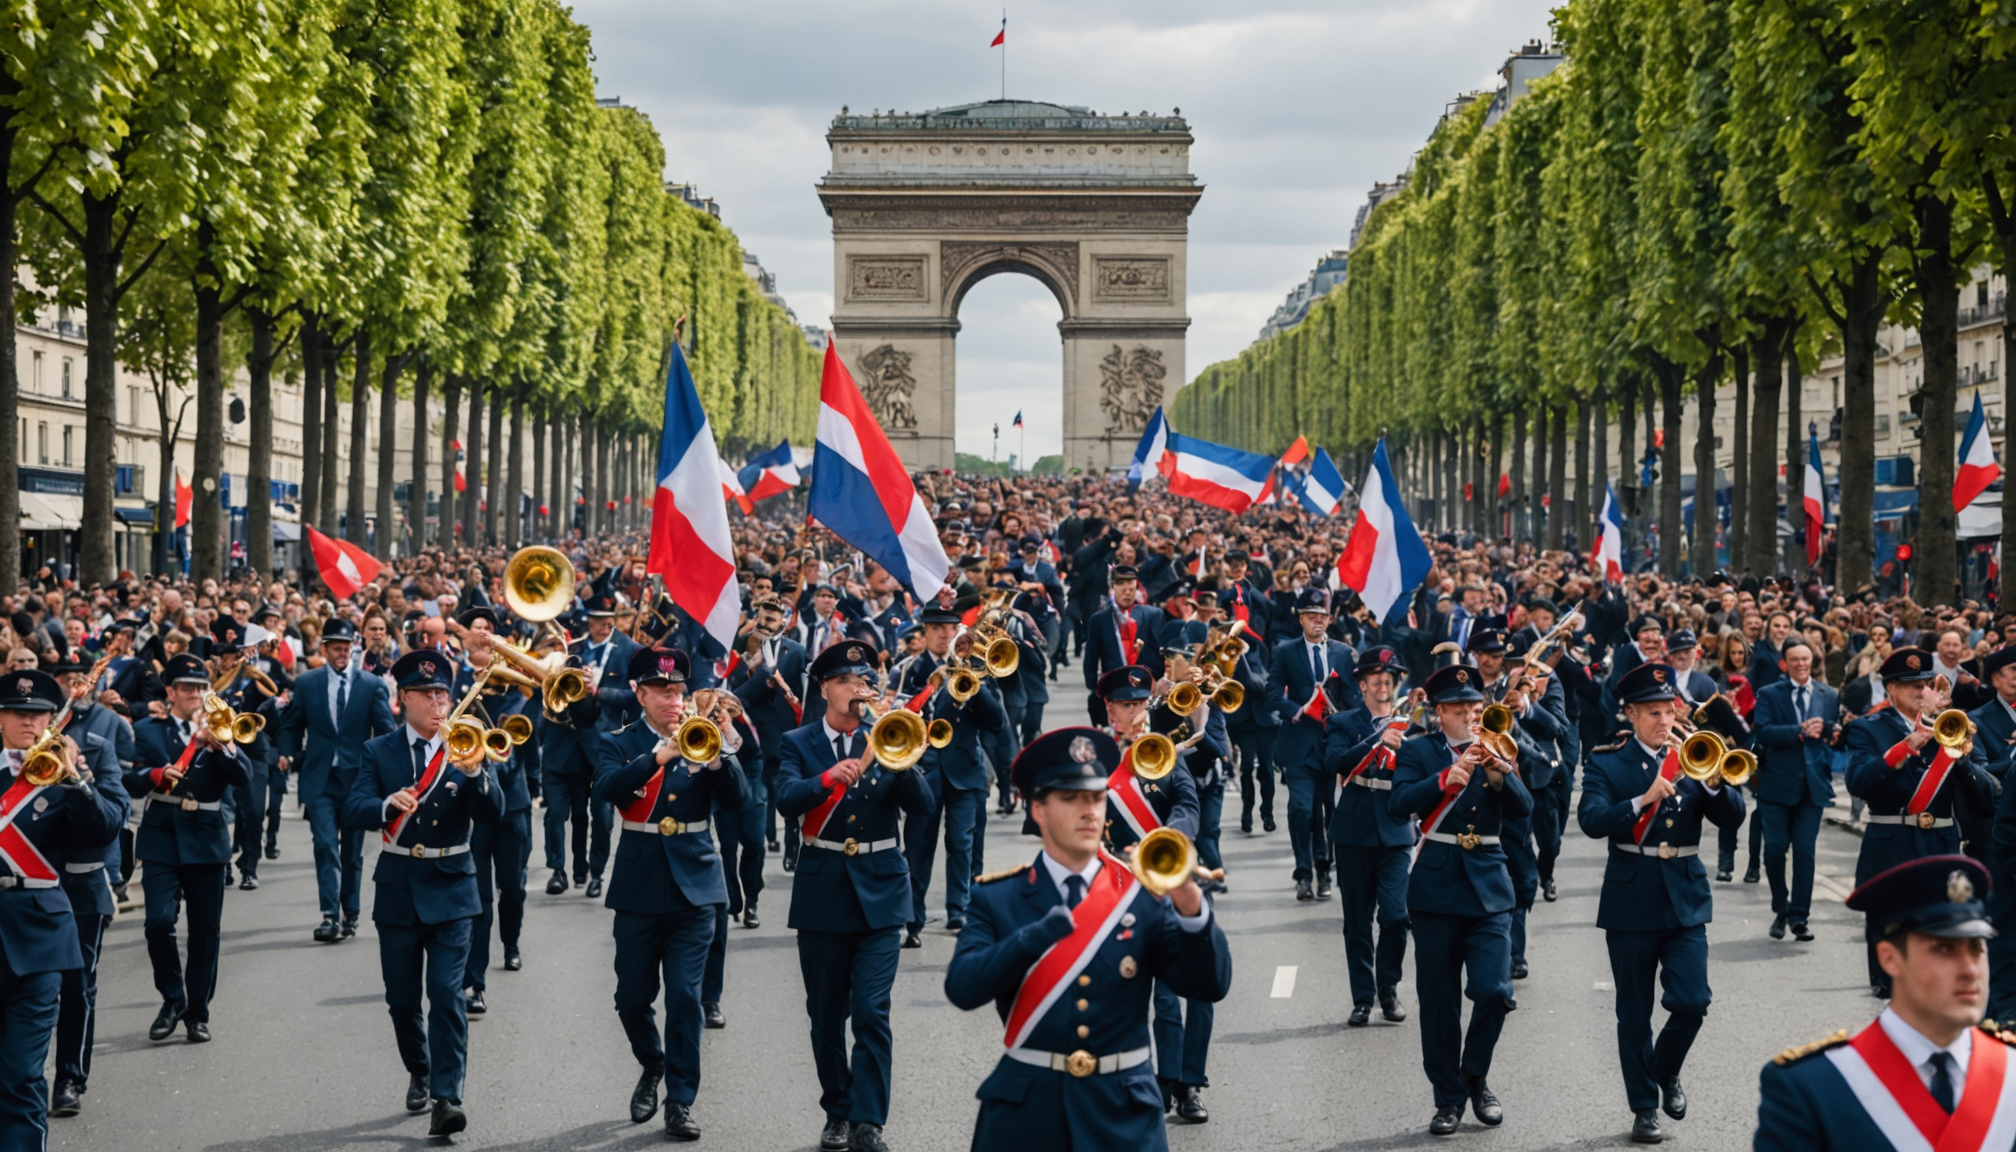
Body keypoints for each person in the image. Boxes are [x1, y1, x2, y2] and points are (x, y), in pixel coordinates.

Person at [945, 726, 1233, 1151]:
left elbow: (1210, 985)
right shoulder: (998, 896)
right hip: (1027, 1117)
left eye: (1097, 797)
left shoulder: (1144, 899)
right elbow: (963, 988)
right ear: (1038, 809)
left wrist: (1190, 903)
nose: (1090, 811)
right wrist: (1038, 935)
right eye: (1071, 798)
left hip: (1124, 1114)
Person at [775, 640, 935, 1152]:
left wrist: (901, 758)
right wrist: (824, 779)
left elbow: (924, 806)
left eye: (863, 683)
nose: (857, 691)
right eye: (846, 682)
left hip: (883, 890)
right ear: (825, 688)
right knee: (825, 1015)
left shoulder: (885, 739)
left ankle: (869, 1121)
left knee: (871, 1010)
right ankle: (837, 1110)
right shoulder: (798, 742)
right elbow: (784, 800)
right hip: (823, 890)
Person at [1579, 662, 1747, 1144]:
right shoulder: (1608, 761)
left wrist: (1714, 780)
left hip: (1685, 897)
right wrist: (1640, 800)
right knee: (1633, 1011)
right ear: (1630, 714)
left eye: (1668, 711)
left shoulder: (1694, 755)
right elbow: (1591, 819)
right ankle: (1644, 1108)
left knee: (1693, 1001)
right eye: (1652, 712)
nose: (1663, 720)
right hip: (1632, 897)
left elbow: (1732, 818)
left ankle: (1665, 1069)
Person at [342, 649, 502, 1138]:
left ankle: (447, 1097)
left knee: (447, 994)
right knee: (401, 1000)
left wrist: (476, 772)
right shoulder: (380, 750)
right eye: (427, 694)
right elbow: (354, 807)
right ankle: (420, 1068)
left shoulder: (464, 745)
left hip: (453, 886)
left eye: (443, 694)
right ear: (403, 697)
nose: (437, 703)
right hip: (398, 888)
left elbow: (493, 813)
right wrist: (385, 804)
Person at [593, 645, 749, 1142]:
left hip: (696, 887)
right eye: (662, 690)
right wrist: (656, 757)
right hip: (639, 886)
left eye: (679, 690)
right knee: (631, 999)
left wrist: (722, 753)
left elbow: (739, 802)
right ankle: (653, 1063)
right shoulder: (618, 741)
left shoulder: (702, 736)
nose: (674, 699)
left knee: (685, 998)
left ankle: (681, 1101)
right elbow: (605, 790)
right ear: (639, 694)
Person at [1754, 854, 2016, 1149]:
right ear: (1889, 959)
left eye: (1977, 948)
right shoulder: (1811, 1090)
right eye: (1945, 949)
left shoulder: (2010, 1073)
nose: (1970, 970)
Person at [1390, 661, 1532, 1136]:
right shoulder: (1419, 750)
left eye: (1476, 705)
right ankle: (1447, 1098)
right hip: (1434, 887)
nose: (1471, 714)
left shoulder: (1498, 748)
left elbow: (1524, 809)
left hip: (1490, 887)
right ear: (1439, 712)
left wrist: (1498, 773)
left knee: (1495, 990)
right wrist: (1442, 780)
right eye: (1459, 708)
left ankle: (1475, 1075)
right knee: (1439, 1001)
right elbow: (1397, 804)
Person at [1, 669, 123, 1145]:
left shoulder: (63, 772)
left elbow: (105, 828)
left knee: (20, 1074)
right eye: (17, 713)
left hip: (40, 938)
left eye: (38, 715)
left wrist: (75, 778)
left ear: (52, 720)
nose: (28, 723)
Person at [1846, 648, 1995, 998]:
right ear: (1891, 690)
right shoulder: (1867, 728)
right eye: (1910, 684)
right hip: (1891, 840)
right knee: (1890, 940)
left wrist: (1960, 757)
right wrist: (1904, 746)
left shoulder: (1952, 724)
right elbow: (1858, 782)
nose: (1920, 690)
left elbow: (1985, 795)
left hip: (1941, 840)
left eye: (1926, 683)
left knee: (1944, 930)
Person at [129, 652, 251, 1044]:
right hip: (162, 834)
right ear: (171, 692)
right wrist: (154, 774)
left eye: (201, 687)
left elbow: (244, 778)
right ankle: (172, 999)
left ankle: (197, 1012)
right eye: (187, 687)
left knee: (205, 933)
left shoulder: (221, 728)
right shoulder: (150, 729)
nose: (195, 693)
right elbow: (127, 777)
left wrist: (225, 747)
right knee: (158, 923)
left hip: (205, 837)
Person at [46, 655, 131, 1119]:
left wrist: (77, 779)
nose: (73, 689)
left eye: (80, 681)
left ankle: (69, 1079)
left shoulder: (97, 748)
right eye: (64, 681)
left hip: (80, 885)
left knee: (77, 987)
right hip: (22, 886)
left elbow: (109, 823)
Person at [276, 617, 396, 943]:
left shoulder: (372, 685)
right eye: (336, 648)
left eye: (347, 648)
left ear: (353, 649)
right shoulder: (307, 683)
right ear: (325, 648)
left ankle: (351, 912)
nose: (342, 653)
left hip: (357, 781)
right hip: (320, 780)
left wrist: (389, 773)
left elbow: (385, 733)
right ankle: (329, 914)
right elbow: (291, 725)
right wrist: (286, 753)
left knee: (352, 852)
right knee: (325, 844)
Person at [900, 605, 1008, 948]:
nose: (944, 635)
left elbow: (997, 722)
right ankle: (912, 918)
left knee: (962, 843)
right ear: (925, 633)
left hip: (966, 770)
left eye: (949, 629)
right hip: (924, 771)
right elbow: (897, 715)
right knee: (918, 847)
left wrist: (974, 682)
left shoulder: (978, 666)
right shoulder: (912, 669)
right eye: (936, 629)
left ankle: (958, 908)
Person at [1323, 645, 1415, 1029]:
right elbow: (1334, 762)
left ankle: (1388, 988)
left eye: (1389, 681)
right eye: (1376, 680)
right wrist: (1378, 740)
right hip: (1355, 829)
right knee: (1357, 921)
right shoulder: (1343, 722)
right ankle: (1363, 997)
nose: (1383, 686)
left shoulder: (1409, 723)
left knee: (1396, 916)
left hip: (1395, 830)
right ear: (1362, 685)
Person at [453, 609, 535, 1013]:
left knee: (513, 887)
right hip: (475, 807)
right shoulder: (456, 686)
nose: (483, 636)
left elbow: (521, 745)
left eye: (489, 630)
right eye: (477, 630)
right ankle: (474, 983)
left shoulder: (517, 689)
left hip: (513, 804)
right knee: (479, 897)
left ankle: (513, 941)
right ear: (468, 638)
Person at [1272, 588, 1362, 903]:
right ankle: (1303, 875)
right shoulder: (1285, 651)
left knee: (1332, 813)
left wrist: (1355, 721)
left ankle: (1325, 869)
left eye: (1322, 616)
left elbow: (1352, 695)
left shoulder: (1342, 652)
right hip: (1298, 745)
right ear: (1301, 620)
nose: (1318, 621)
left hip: (1333, 746)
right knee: (1300, 810)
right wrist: (1293, 710)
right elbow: (1272, 692)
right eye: (1311, 616)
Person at [1751, 639, 1840, 942]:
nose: (1801, 664)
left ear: (1813, 661)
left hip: (1812, 786)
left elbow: (1831, 732)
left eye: (1806, 659)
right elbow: (1761, 731)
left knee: (1805, 853)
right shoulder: (1769, 693)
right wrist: (1799, 731)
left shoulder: (1830, 695)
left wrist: (1833, 731)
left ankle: (1799, 917)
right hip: (1775, 785)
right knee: (1775, 851)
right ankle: (1781, 907)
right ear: (1784, 663)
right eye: (1795, 660)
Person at [727, 594, 806, 907]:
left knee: (787, 798)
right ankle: (748, 893)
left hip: (784, 736)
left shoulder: (795, 651)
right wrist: (758, 672)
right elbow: (730, 692)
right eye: (765, 614)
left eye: (775, 616)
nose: (768, 619)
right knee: (754, 822)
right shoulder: (741, 647)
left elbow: (802, 692)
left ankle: (791, 845)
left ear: (785, 621)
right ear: (757, 615)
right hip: (748, 744)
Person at [1083, 564, 1166, 727]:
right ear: (1112, 587)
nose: (1127, 591)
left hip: (1144, 690)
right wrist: (1095, 688)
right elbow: (1091, 659)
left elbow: (1159, 654)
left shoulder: (1153, 615)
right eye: (1121, 585)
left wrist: (1153, 682)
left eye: (1131, 586)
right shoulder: (1099, 620)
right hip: (1114, 689)